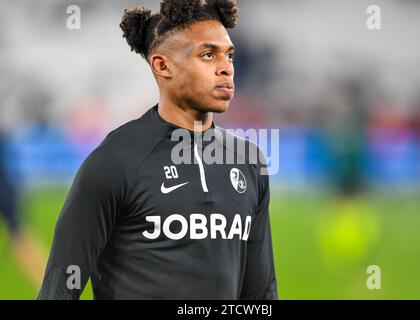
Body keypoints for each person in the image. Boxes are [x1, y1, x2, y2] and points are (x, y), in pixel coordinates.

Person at [38, 0, 277, 300]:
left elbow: (261, 293)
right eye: (208, 55)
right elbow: (59, 289)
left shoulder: (248, 162)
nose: (226, 68)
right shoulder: (114, 161)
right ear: (163, 65)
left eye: (229, 56)